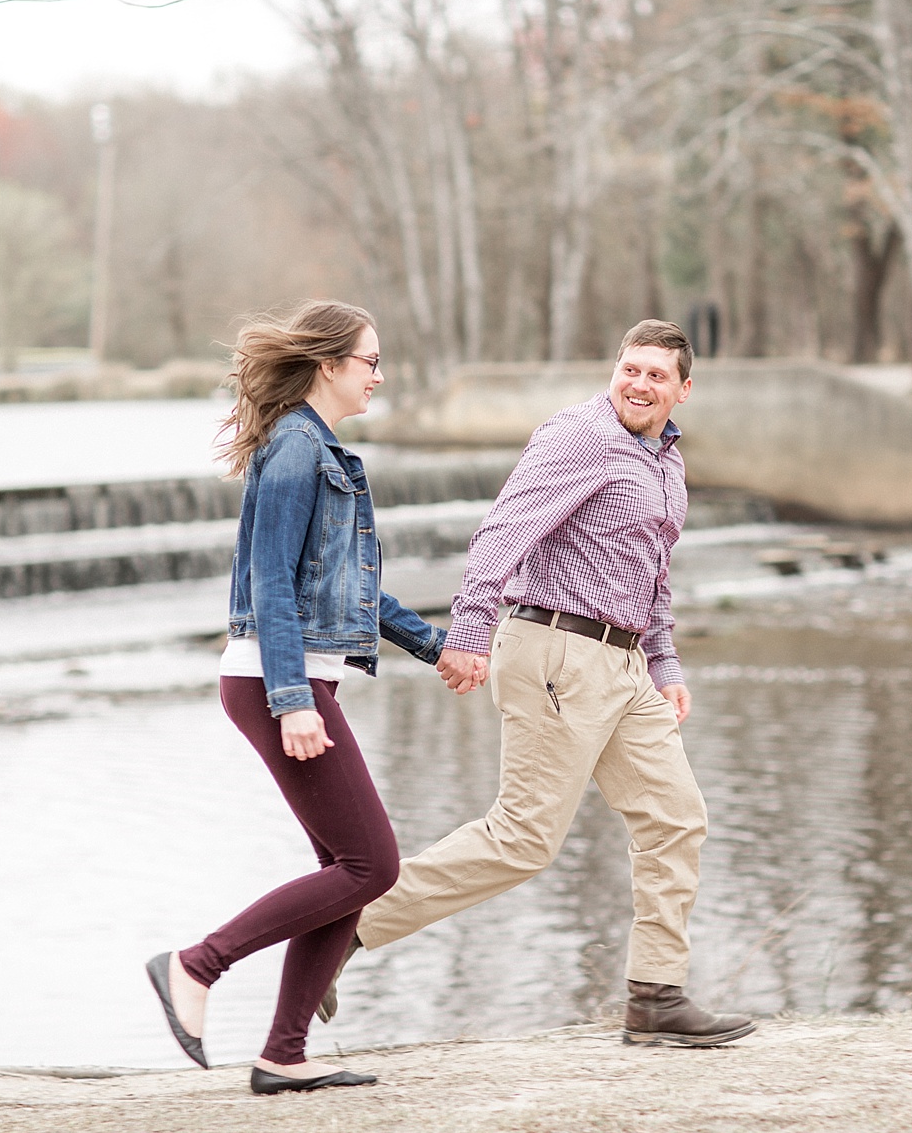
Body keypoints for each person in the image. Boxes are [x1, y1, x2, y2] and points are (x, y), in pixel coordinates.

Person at [319, 319, 754, 1047]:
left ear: (683, 390)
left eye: (656, 375)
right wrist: (468, 630)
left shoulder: (667, 463)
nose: (639, 384)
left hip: (626, 665)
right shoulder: (580, 435)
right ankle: (341, 929)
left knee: (676, 818)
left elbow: (654, 574)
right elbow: (502, 532)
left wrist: (664, 664)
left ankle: (656, 996)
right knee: (524, 838)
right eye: (630, 369)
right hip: (556, 650)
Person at [145, 300, 446, 1095]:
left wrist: (436, 646)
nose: (379, 375)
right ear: (328, 365)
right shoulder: (295, 451)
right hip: (275, 679)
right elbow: (271, 581)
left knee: (345, 869)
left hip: (295, 675)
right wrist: (293, 699)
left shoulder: (320, 449)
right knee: (371, 864)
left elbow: (352, 589)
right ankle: (195, 966)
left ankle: (284, 1053)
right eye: (371, 361)